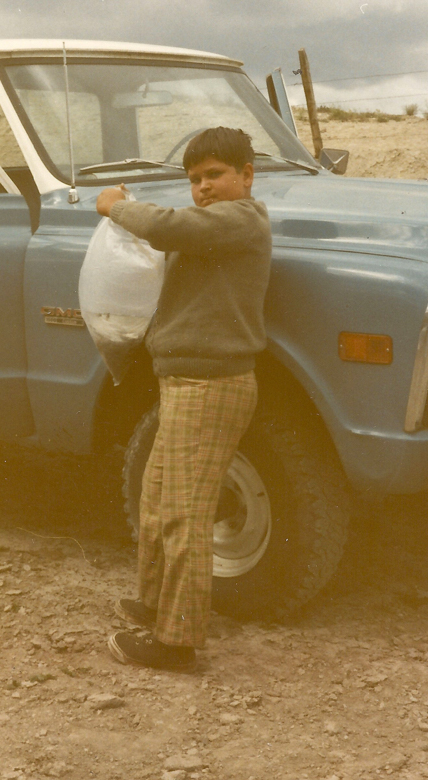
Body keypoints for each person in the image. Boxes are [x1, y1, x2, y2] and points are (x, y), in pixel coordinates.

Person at [95, 127, 272, 671]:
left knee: (183, 512)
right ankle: (156, 603)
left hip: (211, 385)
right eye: (194, 179)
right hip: (186, 381)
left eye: (215, 174)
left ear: (246, 175)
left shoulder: (243, 219)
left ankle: (177, 641)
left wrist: (115, 206)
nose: (203, 187)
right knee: (157, 496)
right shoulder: (212, 228)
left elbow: (163, 225)